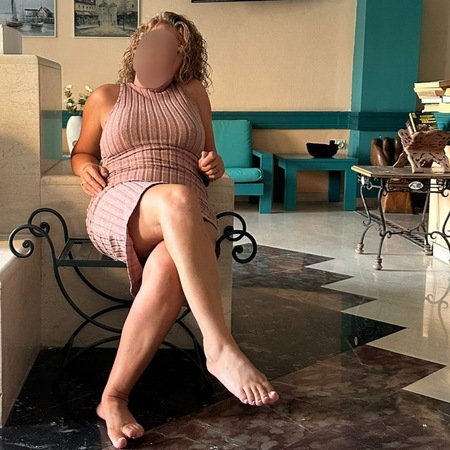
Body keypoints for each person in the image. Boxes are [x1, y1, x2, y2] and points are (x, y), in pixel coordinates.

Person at [71, 11, 279, 449]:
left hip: (186, 209)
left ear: (183, 58)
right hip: (126, 205)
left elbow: (210, 157)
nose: (159, 53)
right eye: (152, 43)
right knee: (177, 199)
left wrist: (213, 164)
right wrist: (85, 165)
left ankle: (113, 398)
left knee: (169, 264)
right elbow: (82, 152)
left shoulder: (193, 93)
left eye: (172, 48)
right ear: (136, 48)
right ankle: (218, 345)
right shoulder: (107, 96)